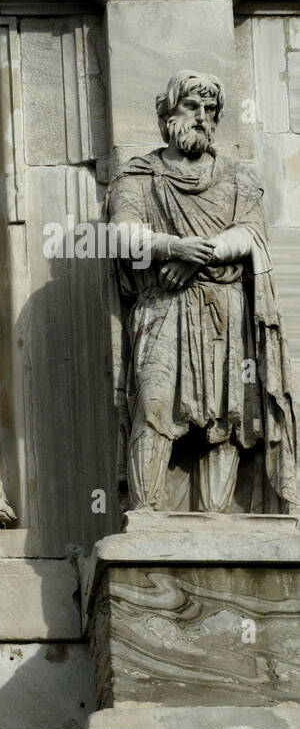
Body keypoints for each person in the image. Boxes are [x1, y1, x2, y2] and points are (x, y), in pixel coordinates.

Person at [108, 70, 298, 511]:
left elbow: (252, 235)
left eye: (210, 110)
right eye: (192, 107)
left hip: (226, 308)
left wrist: (196, 257)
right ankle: (146, 516)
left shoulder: (237, 178)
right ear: (167, 115)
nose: (202, 117)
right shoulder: (138, 177)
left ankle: (216, 522)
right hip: (162, 309)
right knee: (153, 406)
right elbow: (121, 236)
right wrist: (173, 245)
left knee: (226, 416)